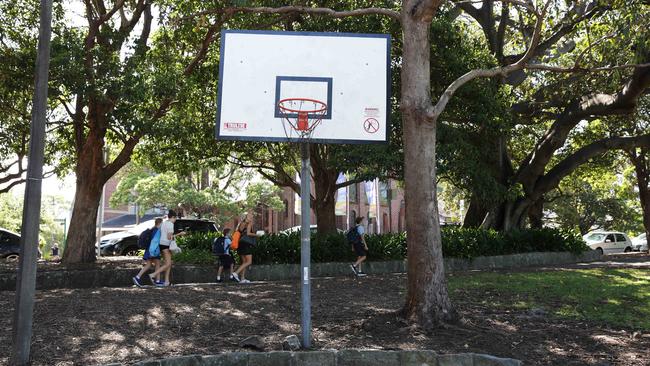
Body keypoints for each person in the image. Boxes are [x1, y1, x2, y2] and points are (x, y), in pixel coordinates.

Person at [150, 210, 186, 286]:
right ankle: (153, 275)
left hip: (162, 244)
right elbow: (169, 237)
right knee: (168, 263)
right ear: (172, 217)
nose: (175, 220)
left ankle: (167, 281)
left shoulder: (164, 223)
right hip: (166, 245)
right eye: (175, 218)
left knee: (168, 263)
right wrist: (180, 234)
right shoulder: (170, 224)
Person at [132, 218, 163, 287]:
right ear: (160, 223)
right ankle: (157, 281)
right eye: (162, 223)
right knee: (157, 264)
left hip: (149, 250)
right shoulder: (157, 231)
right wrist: (152, 253)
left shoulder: (152, 230)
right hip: (153, 251)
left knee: (149, 265)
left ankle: (137, 277)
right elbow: (154, 242)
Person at [231, 213, 257, 283]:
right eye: (250, 216)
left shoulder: (241, 224)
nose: (251, 217)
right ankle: (235, 273)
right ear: (246, 217)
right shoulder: (249, 224)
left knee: (244, 262)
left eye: (252, 216)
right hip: (246, 244)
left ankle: (242, 279)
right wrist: (257, 235)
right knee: (249, 261)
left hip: (240, 244)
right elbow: (248, 233)